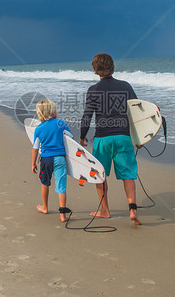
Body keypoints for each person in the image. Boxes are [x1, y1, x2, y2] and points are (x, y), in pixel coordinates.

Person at [80, 53, 142, 225]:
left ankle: (105, 210)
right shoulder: (125, 86)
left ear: (95, 69)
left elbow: (87, 116)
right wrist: (140, 137)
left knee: (100, 175)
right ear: (112, 67)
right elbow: (137, 112)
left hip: (102, 139)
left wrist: (82, 136)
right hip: (123, 136)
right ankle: (133, 209)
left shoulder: (93, 90)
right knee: (128, 174)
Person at [31, 99, 73, 222]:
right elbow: (70, 138)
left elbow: (35, 148)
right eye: (55, 109)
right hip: (60, 158)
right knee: (61, 186)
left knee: (45, 183)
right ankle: (62, 215)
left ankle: (45, 207)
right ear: (51, 112)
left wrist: (33, 163)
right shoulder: (60, 123)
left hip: (46, 160)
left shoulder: (38, 129)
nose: (57, 111)